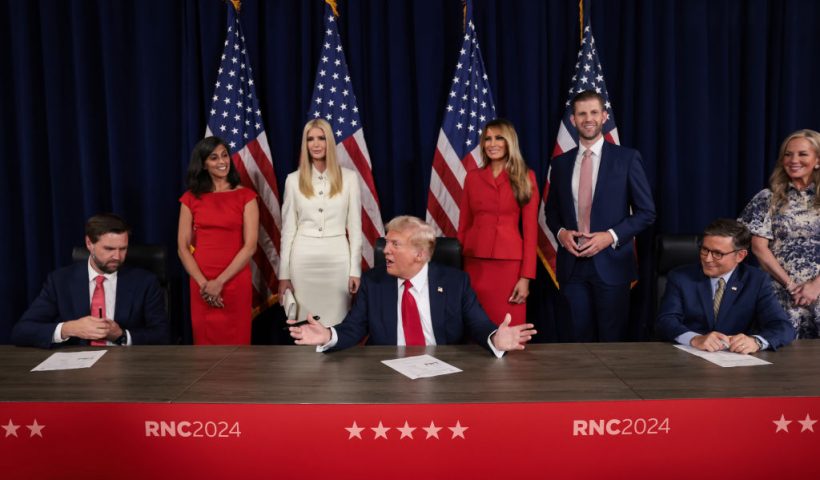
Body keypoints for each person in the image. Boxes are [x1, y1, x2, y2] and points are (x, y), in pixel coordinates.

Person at [288, 216, 537, 356]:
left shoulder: (455, 282)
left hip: (444, 371)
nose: (385, 251)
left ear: (419, 254)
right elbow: (354, 328)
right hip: (385, 373)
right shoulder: (373, 282)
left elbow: (478, 324)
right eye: (386, 244)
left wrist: (495, 337)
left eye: (395, 244)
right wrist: (329, 335)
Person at [545, 90, 655, 342]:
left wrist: (610, 236)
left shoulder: (627, 158)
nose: (588, 118)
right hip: (572, 267)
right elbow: (551, 211)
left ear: (604, 116)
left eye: (594, 112)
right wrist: (561, 234)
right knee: (576, 341)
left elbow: (646, 212)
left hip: (613, 264)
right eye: (581, 113)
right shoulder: (560, 164)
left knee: (611, 343)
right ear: (572, 120)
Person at [12, 214, 169, 348]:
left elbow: (162, 335)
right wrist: (68, 328)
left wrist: (121, 335)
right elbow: (22, 331)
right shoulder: (60, 281)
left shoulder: (145, 282)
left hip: (126, 366)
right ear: (89, 244)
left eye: (123, 249)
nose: (117, 256)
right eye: (109, 249)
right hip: (74, 370)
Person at [655, 219, 794, 353]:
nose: (707, 259)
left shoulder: (756, 280)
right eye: (704, 250)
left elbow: (783, 327)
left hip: (738, 364)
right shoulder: (680, 277)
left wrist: (756, 342)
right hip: (689, 357)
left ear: (740, 256)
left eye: (717, 253)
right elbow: (666, 321)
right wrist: (694, 339)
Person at [277, 119, 362, 327]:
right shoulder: (293, 180)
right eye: (310, 139)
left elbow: (356, 229)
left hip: (337, 261)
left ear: (329, 142)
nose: (315, 144)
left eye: (321, 138)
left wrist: (355, 270)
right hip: (303, 261)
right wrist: (284, 275)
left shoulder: (349, 178)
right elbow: (288, 231)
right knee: (304, 324)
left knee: (337, 324)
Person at [738, 129, 820, 339]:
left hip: (817, 291)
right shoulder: (768, 198)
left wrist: (815, 286)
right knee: (780, 359)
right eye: (788, 154)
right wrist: (791, 286)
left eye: (802, 154)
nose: (793, 160)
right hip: (780, 293)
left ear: (817, 160)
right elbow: (758, 248)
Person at [178, 136, 259, 345]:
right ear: (203, 163)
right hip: (201, 281)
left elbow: (250, 246)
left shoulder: (246, 196)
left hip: (234, 279)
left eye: (224, 155)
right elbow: (183, 248)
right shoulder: (190, 198)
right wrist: (205, 285)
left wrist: (219, 282)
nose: (222, 161)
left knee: (237, 343)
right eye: (214, 157)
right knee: (204, 344)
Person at [457, 118, 538, 327]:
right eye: (488, 139)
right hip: (474, 264)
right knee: (475, 327)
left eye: (499, 138)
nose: (492, 144)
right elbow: (464, 224)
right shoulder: (472, 178)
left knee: (509, 327)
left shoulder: (526, 177)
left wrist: (526, 277)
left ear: (509, 142)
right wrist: (463, 256)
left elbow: (531, 233)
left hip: (509, 267)